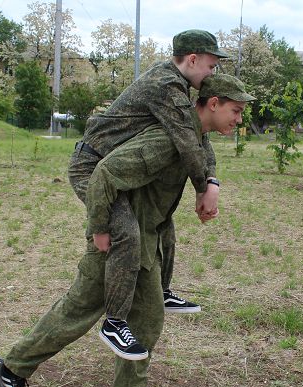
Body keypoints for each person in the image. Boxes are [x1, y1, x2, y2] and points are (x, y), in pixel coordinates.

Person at [0, 74, 255, 387]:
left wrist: (209, 186)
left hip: (145, 237)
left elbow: (204, 158)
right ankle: (12, 368)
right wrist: (100, 228)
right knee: (79, 310)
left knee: (148, 315)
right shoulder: (165, 140)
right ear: (213, 104)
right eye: (236, 111)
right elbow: (104, 174)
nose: (239, 119)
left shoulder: (192, 136)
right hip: (118, 241)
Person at [69, 29, 227, 361]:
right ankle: (114, 323)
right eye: (211, 66)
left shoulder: (178, 85)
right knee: (126, 234)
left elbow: (199, 138)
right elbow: (188, 142)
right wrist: (204, 188)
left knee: (162, 222)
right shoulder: (166, 85)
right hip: (93, 167)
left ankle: (162, 291)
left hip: (118, 169)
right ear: (193, 59)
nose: (212, 74)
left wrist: (211, 181)